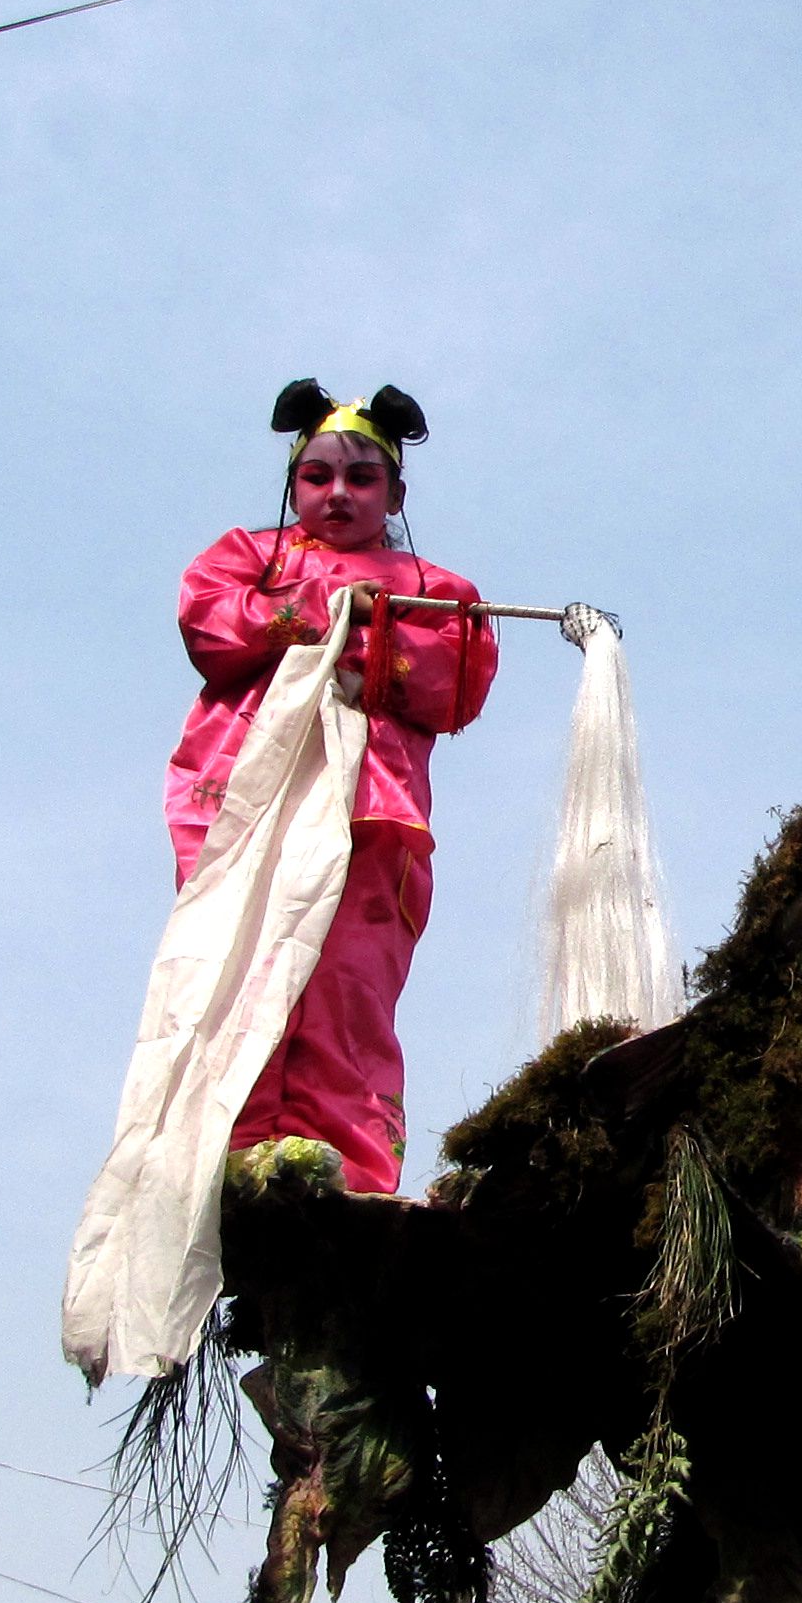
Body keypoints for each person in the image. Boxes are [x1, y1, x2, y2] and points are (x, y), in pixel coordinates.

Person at [161, 379, 499, 1193]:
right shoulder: (247, 556)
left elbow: (457, 684)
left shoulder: (436, 586)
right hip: (249, 796)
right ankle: (233, 1148)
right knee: (242, 961)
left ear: (395, 491)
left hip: (368, 808)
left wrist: (368, 628)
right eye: (317, 476)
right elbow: (210, 624)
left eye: (361, 477)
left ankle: (348, 1166)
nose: (338, 493)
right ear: (293, 484)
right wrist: (323, 605)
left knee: (347, 977)